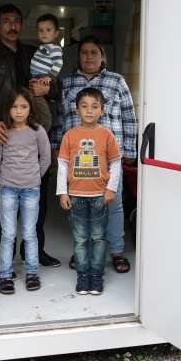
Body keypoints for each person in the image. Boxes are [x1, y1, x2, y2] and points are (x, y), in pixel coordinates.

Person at [0, 4, 61, 278]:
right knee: (3, 203)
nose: (12, 26)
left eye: (16, 21)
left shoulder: (34, 52)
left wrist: (49, 88)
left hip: (34, 135)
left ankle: (34, 253)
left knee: (38, 202)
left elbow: (56, 85)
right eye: (6, 21)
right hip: (5, 137)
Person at [51, 36, 136, 274]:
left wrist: (130, 149)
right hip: (78, 158)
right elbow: (59, 119)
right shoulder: (66, 83)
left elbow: (129, 115)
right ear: (78, 57)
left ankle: (116, 251)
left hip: (109, 156)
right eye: (84, 52)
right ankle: (82, 250)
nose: (89, 56)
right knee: (81, 205)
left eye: (94, 52)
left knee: (114, 204)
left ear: (102, 56)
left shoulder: (116, 81)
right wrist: (56, 147)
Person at [57, 87, 122, 295]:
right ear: (77, 110)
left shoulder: (107, 135)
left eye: (94, 106)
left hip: (99, 196)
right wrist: (63, 192)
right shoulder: (69, 136)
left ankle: (96, 276)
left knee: (98, 238)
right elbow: (62, 165)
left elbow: (116, 163)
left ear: (102, 111)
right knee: (80, 239)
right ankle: (83, 276)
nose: (89, 110)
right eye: (84, 106)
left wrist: (111, 188)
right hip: (76, 196)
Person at [0, 88, 51, 294]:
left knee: (29, 233)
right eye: (14, 106)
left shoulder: (38, 131)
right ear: (7, 109)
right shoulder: (3, 132)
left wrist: (35, 177)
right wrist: (5, 178)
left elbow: (45, 158)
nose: (18, 111)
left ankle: (32, 273)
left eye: (23, 106)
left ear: (30, 109)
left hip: (31, 190)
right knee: (7, 234)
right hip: (7, 189)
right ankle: (5, 275)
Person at [30, 13, 63, 132]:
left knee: (39, 102)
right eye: (41, 30)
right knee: (47, 103)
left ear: (56, 33)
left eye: (48, 30)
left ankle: (43, 129)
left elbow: (58, 63)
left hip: (44, 78)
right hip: (40, 77)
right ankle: (53, 122)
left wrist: (49, 77)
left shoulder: (54, 48)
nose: (44, 33)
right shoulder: (44, 46)